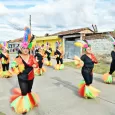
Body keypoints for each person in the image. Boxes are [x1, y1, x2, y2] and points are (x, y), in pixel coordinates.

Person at [9, 27, 40, 115]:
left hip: (31, 76)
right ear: (21, 49)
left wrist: (35, 65)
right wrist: (15, 68)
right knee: (24, 92)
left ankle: (30, 102)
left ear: (29, 49)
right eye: (24, 48)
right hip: (22, 77)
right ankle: (24, 107)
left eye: (27, 49)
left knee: (29, 91)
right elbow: (12, 67)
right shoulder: (18, 58)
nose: (26, 50)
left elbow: (36, 64)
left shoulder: (31, 57)